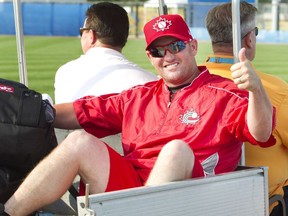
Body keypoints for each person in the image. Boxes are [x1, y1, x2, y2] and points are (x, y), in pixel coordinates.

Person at [2, 14, 276, 215]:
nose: (167, 56)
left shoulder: (225, 92)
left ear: (193, 47)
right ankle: (11, 212)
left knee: (176, 150)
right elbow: (79, 111)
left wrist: (255, 90)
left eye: (176, 46)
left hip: (192, 196)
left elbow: (260, 131)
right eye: (158, 51)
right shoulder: (139, 95)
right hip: (133, 190)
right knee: (78, 143)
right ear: (150, 57)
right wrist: (25, 107)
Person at [202, 2, 288, 215]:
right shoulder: (274, 90)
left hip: (207, 200)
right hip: (266, 203)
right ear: (249, 39)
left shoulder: (192, 82)